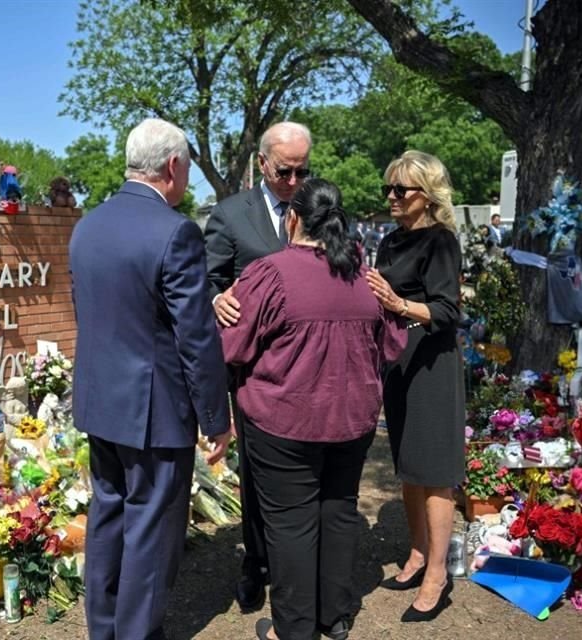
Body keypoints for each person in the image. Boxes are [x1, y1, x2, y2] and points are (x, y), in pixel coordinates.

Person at [69, 118, 232, 640]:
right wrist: (216, 417)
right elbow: (196, 335)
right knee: (152, 531)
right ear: (173, 167)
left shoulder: (87, 224)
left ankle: (105, 629)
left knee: (109, 516)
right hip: (154, 410)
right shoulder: (176, 230)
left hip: (102, 401)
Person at [222, 179, 406, 640]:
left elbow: (234, 345)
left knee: (291, 523)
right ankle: (334, 616)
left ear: (292, 218)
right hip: (352, 418)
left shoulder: (270, 273)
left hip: (285, 421)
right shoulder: (364, 275)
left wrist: (220, 306)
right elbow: (393, 342)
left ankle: (295, 627)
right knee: (338, 511)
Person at [203, 121, 312, 611]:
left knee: (307, 469)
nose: (292, 181)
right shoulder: (229, 215)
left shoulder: (318, 207)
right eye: (285, 171)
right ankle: (257, 563)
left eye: (302, 171)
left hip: (311, 364)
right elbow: (207, 279)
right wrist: (215, 298)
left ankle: (303, 567)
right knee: (257, 471)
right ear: (263, 164)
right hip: (256, 369)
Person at [365, 150, 465, 623]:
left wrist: (398, 303)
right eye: (388, 188)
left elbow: (446, 311)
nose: (391, 196)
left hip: (432, 366)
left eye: (400, 190)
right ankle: (418, 553)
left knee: (435, 473)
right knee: (409, 467)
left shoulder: (441, 241)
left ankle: (437, 574)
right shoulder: (388, 241)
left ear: (426, 195)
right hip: (397, 364)